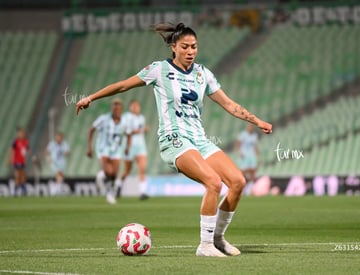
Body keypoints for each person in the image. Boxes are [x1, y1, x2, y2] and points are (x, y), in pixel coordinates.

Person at [76, 22, 272, 257]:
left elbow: (229, 104)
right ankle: (205, 245)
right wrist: (91, 98)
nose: (190, 51)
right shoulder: (159, 70)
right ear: (173, 47)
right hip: (174, 140)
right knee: (213, 182)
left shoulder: (202, 74)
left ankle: (217, 239)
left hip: (200, 140)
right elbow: (122, 86)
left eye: (194, 47)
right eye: (185, 47)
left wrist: (257, 121)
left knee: (238, 182)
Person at [87, 98, 131, 204]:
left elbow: (129, 135)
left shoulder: (125, 121)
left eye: (118, 108)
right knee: (108, 171)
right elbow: (91, 130)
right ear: (112, 109)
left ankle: (108, 189)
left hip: (116, 150)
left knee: (114, 174)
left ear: (121, 109)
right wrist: (89, 147)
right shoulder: (103, 119)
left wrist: (127, 147)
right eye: (114, 108)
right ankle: (106, 185)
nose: (116, 110)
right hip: (103, 148)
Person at [117, 99, 149, 199]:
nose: (136, 108)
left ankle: (142, 192)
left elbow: (141, 132)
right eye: (134, 106)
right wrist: (140, 130)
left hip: (141, 146)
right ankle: (118, 185)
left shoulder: (141, 118)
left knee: (142, 168)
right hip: (129, 146)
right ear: (130, 107)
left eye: (137, 106)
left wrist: (144, 131)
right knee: (127, 171)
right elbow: (126, 131)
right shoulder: (126, 117)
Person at [236, 123, 259, 195]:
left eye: (252, 127)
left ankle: (250, 190)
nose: (251, 128)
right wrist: (240, 152)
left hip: (252, 156)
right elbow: (238, 144)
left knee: (253, 172)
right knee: (243, 172)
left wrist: (258, 156)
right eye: (249, 126)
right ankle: (242, 189)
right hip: (244, 155)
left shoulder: (254, 135)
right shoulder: (243, 135)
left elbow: (255, 146)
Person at [8, 127, 30, 196]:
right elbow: (11, 149)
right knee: (18, 175)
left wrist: (33, 157)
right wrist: (10, 158)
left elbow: (28, 149)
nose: (22, 134)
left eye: (23, 133)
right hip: (16, 161)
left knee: (23, 175)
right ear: (18, 134)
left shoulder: (26, 141)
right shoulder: (16, 141)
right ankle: (16, 191)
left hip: (23, 161)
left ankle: (23, 190)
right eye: (20, 133)